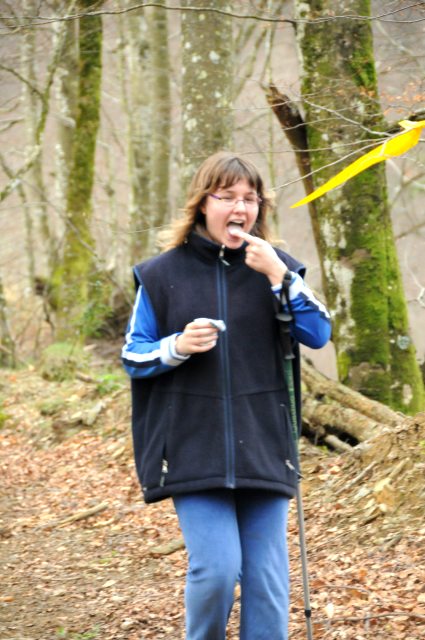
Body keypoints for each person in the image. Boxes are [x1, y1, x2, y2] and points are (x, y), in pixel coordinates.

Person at [122, 151, 331, 640]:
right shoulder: (160, 274)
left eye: (250, 199)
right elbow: (133, 355)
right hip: (192, 445)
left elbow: (318, 333)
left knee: (266, 581)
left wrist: (279, 276)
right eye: (227, 197)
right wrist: (177, 346)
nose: (240, 208)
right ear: (203, 204)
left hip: (265, 442)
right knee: (215, 571)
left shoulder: (277, 269)